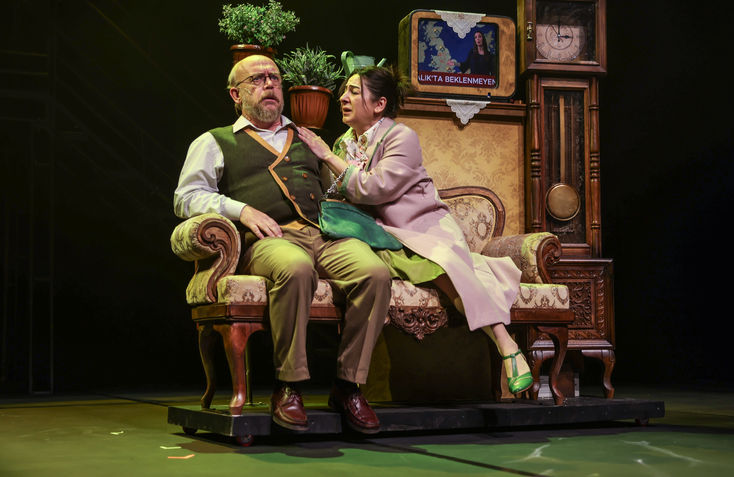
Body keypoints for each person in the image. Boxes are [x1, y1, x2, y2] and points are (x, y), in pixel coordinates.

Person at [173, 54, 391, 434]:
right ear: (235, 95)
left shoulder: (307, 138)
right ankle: (289, 385)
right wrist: (241, 210)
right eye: (257, 80)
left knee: (374, 272)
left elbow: (338, 189)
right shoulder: (215, 141)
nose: (269, 85)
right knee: (296, 267)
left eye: (274, 78)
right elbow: (186, 197)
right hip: (268, 240)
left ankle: (348, 386)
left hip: (322, 234)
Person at [297, 65, 533, 395]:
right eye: (344, 91)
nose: (343, 97)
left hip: (420, 227)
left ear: (379, 104)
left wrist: (327, 156)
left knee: (442, 265)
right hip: (378, 232)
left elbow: (375, 188)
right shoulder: (342, 143)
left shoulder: (401, 137)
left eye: (353, 91)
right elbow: (339, 191)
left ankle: (506, 344)